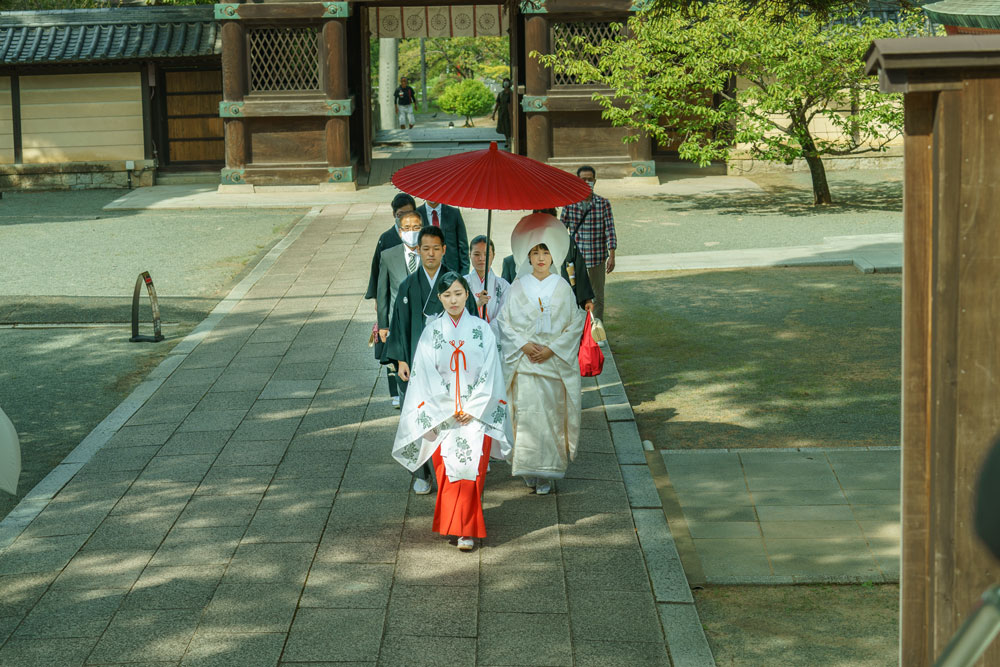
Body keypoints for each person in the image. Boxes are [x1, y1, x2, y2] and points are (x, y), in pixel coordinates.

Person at [392, 272, 512, 551]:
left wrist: (472, 407)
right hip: (443, 416)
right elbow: (423, 375)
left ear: (467, 294)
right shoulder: (431, 333)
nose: (453, 300)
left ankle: (467, 531)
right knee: (447, 471)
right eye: (447, 295)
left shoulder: (481, 329)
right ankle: (452, 525)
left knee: (473, 472)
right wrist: (447, 408)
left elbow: (492, 372)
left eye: (458, 293)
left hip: (476, 413)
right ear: (440, 298)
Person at [496, 214, 586, 495]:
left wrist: (552, 349)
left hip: (552, 365)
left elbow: (574, 324)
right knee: (525, 418)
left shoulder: (562, 288)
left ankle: (547, 472)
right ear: (527, 256)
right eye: (535, 252)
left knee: (550, 416)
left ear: (553, 254)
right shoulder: (517, 287)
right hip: (524, 364)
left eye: (545, 251)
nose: (540, 257)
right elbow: (503, 322)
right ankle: (527, 467)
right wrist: (523, 344)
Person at [386, 226, 478, 494]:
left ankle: (452, 468)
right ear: (418, 250)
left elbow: (471, 322)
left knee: (451, 416)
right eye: (425, 248)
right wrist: (401, 360)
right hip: (418, 364)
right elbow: (399, 325)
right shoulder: (408, 286)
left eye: (436, 248)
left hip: (451, 367)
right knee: (419, 416)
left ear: (444, 250)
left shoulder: (455, 284)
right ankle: (422, 472)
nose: (430, 253)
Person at [366, 193, 421, 405]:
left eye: (415, 226)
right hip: (397, 317)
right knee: (400, 363)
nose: (410, 231)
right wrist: (383, 321)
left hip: (421, 317)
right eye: (403, 221)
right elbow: (381, 285)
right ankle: (403, 398)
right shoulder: (387, 245)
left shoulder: (428, 250)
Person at [502, 209, 594, 311]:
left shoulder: (565, 240)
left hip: (560, 294)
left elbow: (580, 269)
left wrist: (587, 299)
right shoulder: (529, 239)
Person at [560, 166, 617, 321]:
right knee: (574, 294)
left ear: (595, 181)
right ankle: (577, 329)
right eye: (583, 179)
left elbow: (610, 230)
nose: (587, 182)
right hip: (575, 259)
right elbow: (560, 229)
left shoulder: (603, 203)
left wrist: (612, 255)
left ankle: (597, 330)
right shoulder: (570, 203)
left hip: (597, 257)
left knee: (598, 296)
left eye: (589, 179)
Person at [465, 235, 510, 335]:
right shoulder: (461, 283)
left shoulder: (503, 286)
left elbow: (505, 314)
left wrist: (488, 330)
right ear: (469, 255)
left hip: (495, 336)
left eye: (486, 254)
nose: (481, 258)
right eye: (476, 254)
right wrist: (477, 304)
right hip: (468, 335)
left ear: (493, 255)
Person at [417, 200, 470, 276]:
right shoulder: (417, 214)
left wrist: (464, 275)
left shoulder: (454, 213)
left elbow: (463, 247)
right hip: (426, 272)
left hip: (452, 271)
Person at [491, 77, 513, 148]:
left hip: (509, 112)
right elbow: (497, 104)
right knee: (503, 127)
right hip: (502, 112)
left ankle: (510, 141)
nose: (506, 83)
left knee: (509, 127)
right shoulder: (501, 93)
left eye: (507, 81)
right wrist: (494, 113)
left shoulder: (511, 93)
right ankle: (507, 140)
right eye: (504, 82)